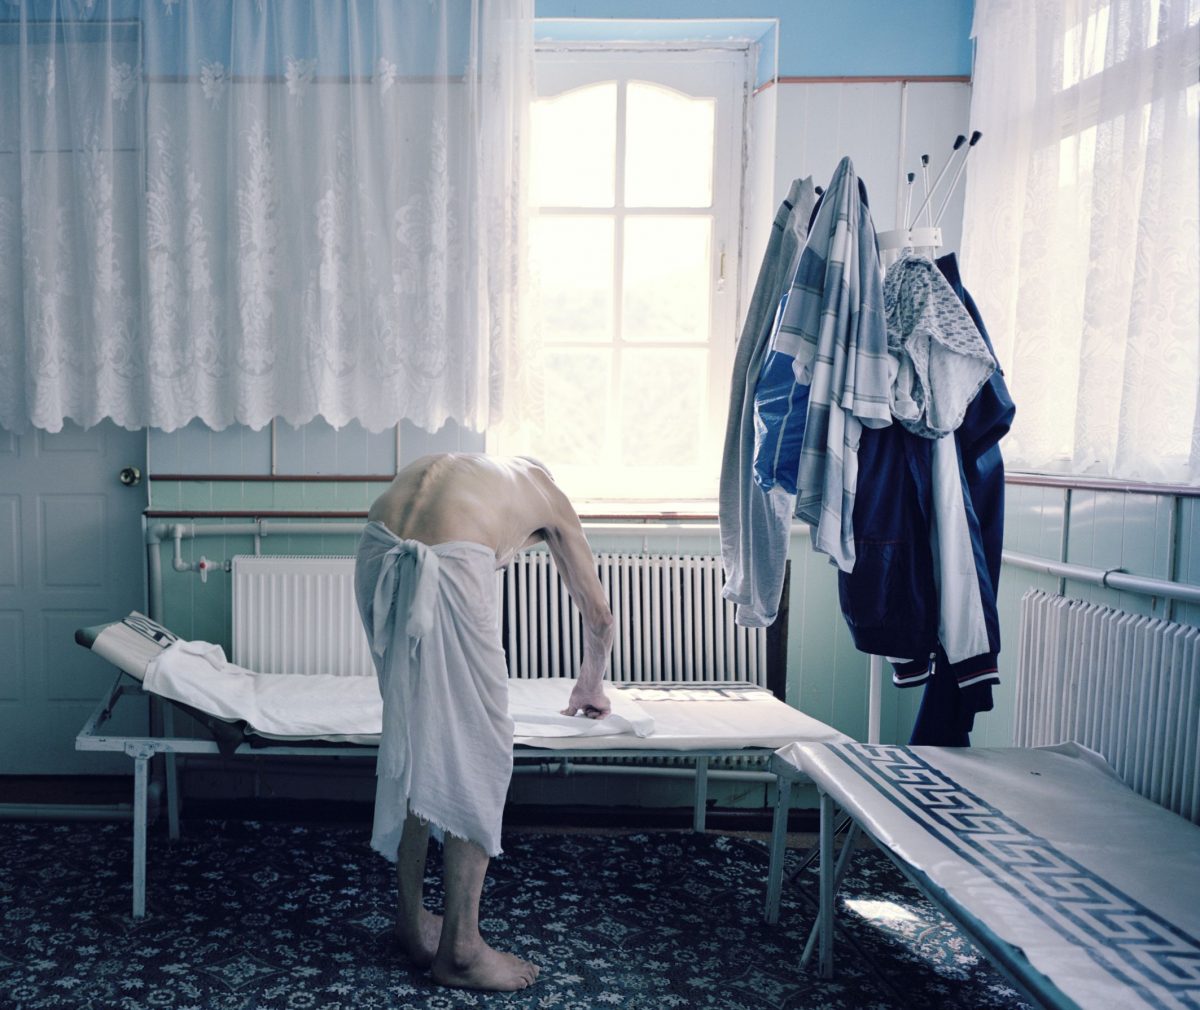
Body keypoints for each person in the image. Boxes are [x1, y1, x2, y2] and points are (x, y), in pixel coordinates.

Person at [354, 453, 615, 991]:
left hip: (377, 548)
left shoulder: (470, 470)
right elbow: (599, 613)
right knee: (480, 746)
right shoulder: (549, 494)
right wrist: (591, 684)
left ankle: (410, 923)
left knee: (412, 733)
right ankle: (462, 951)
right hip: (449, 557)